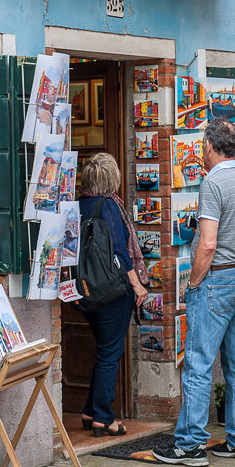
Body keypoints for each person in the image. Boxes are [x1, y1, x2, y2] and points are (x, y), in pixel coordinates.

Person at [153, 119, 235, 466]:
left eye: (203, 146)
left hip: (217, 278)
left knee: (198, 363)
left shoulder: (212, 184)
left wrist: (194, 283)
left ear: (211, 147)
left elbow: (208, 244)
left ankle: (189, 444)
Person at [77, 153, 148, 437]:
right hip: (111, 291)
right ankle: (104, 419)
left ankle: (88, 410)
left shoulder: (78, 204)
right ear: (111, 179)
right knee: (110, 353)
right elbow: (120, 252)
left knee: (104, 350)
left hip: (86, 292)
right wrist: (137, 285)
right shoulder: (108, 206)